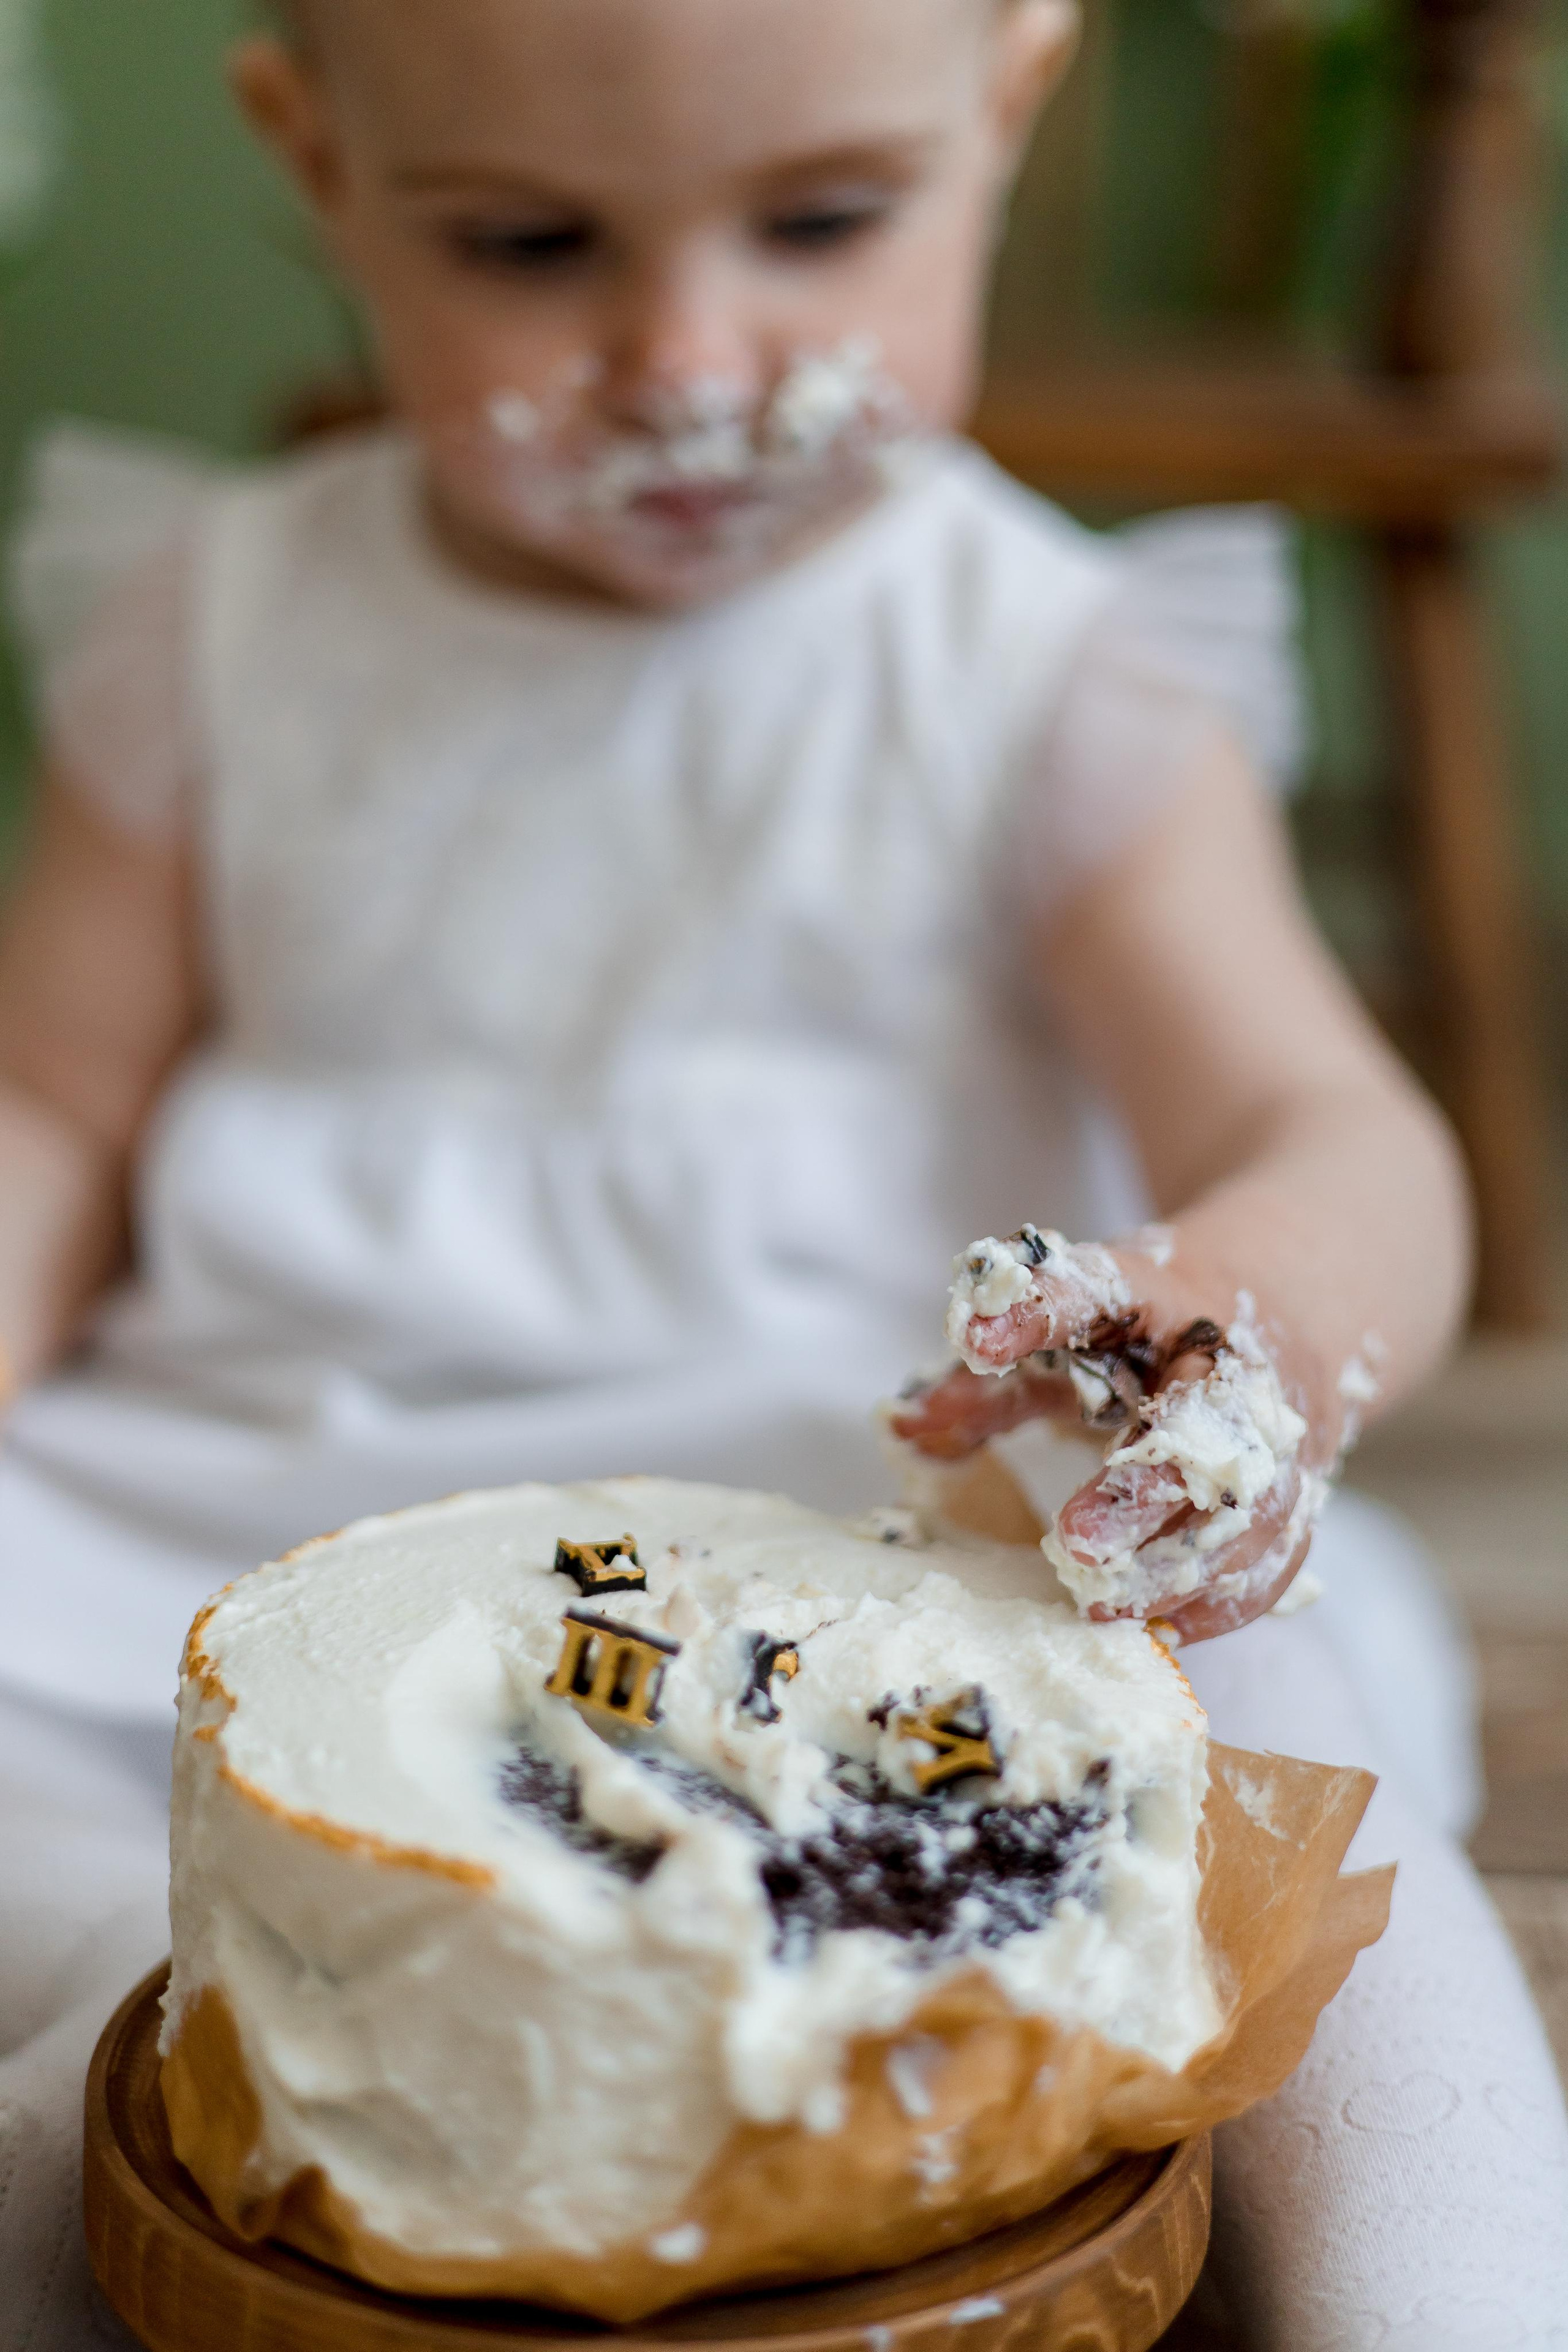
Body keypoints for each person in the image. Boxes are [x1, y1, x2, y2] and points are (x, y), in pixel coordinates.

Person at [0, 1, 1562, 2343]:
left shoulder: (1037, 667)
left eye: (825, 223)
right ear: (315, 159)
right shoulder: (220, 629)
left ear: (1002, 117)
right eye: (529, 242)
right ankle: (138, 2113)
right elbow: (50, 1105)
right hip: (248, 1531)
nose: (687, 356)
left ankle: (1433, 2303)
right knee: (123, 1947)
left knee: (1331, 1867)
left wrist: (1245, 1314)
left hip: (900, 1541)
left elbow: (1328, 1128)